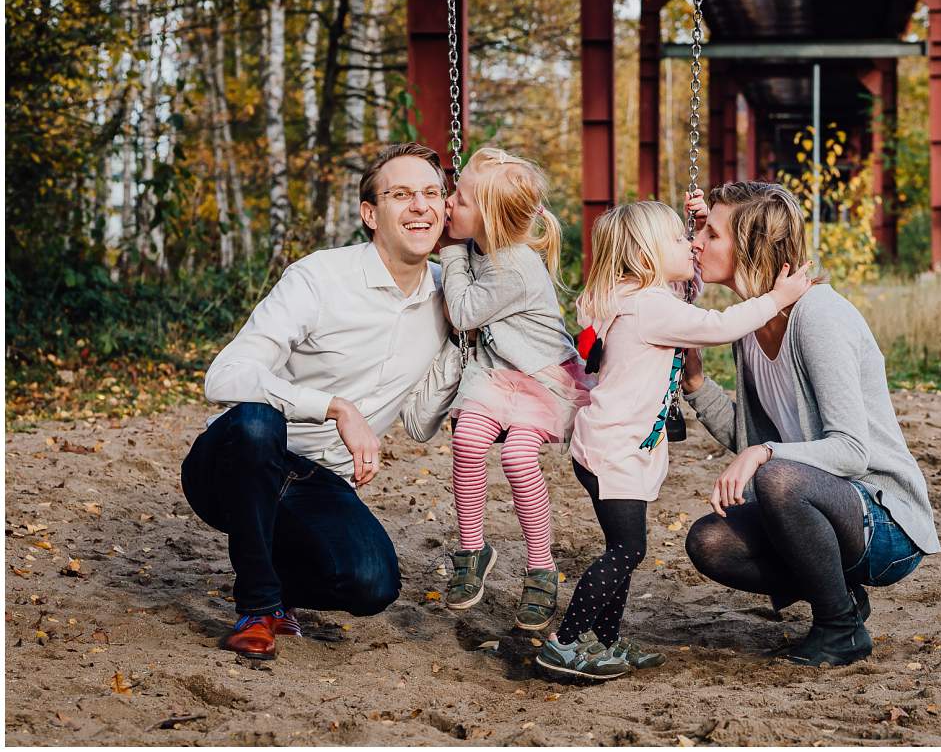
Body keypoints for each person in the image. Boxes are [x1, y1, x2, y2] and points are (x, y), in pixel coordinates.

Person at [181, 142, 463, 660]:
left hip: (316, 482)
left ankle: (276, 578)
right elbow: (225, 374)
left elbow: (422, 423)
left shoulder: (452, 296)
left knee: (372, 585)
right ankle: (259, 607)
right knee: (256, 422)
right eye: (401, 194)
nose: (420, 206)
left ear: (447, 208)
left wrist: (462, 349)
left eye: (430, 193)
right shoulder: (319, 278)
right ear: (370, 214)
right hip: (234, 465)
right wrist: (335, 407)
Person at [535, 201, 814, 680]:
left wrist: (703, 221)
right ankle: (563, 643)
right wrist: (778, 298)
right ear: (646, 256)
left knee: (624, 548)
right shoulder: (648, 307)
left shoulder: (645, 296)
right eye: (682, 240)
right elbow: (718, 326)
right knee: (626, 550)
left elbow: (690, 287)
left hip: (618, 445)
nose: (694, 245)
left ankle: (606, 641)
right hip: (614, 450)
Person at [679, 182, 941, 667]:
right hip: (814, 507)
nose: (697, 243)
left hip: (883, 521)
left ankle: (839, 630)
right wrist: (696, 386)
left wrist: (765, 454)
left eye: (712, 235)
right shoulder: (751, 324)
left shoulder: (818, 316)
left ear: (752, 246)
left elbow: (849, 451)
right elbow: (749, 437)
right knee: (709, 542)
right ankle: (840, 599)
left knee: (775, 474)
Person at [439, 148, 591, 631]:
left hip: (543, 380)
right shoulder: (484, 248)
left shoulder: (514, 268)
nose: (447, 204)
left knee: (518, 459)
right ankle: (472, 548)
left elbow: (462, 312)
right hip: (498, 372)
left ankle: (542, 566)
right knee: (465, 441)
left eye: (459, 199)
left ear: (488, 218)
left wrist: (448, 250)